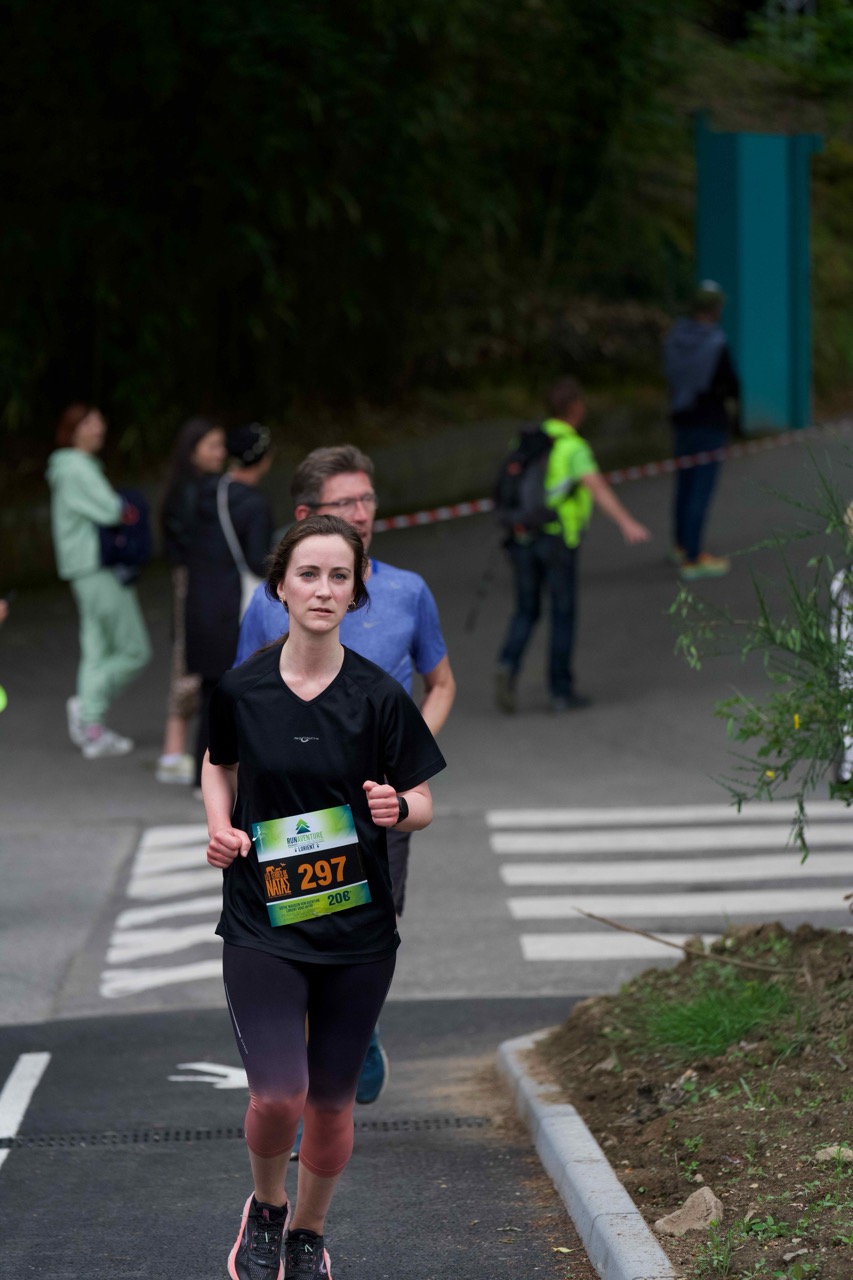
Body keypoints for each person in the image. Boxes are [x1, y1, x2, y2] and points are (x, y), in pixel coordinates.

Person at [203, 514, 446, 1280]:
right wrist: (219, 828)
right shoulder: (241, 689)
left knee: (332, 1103)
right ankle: (267, 1206)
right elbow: (217, 763)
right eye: (308, 574)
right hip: (262, 920)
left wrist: (397, 808)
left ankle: (308, 1233)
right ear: (279, 586)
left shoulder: (378, 696)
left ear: (355, 591)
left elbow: (423, 800)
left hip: (356, 932)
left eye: (339, 576)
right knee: (280, 1095)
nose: (323, 589)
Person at [236, 444, 456, 1103]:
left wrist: (404, 758)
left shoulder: (408, 591)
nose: (361, 514)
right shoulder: (271, 600)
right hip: (295, 807)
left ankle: (355, 1028)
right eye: (344, 503)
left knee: (365, 931)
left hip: (377, 800)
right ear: (306, 516)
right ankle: (311, 1095)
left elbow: (441, 683)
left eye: (367, 500)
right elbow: (242, 704)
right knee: (300, 937)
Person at [495, 378, 651, 715]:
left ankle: (507, 664)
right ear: (575, 408)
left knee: (526, 610)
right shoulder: (572, 447)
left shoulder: (525, 439)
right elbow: (597, 488)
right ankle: (560, 691)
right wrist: (626, 522)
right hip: (557, 540)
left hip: (522, 538)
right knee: (562, 613)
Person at [46, 404, 152, 757]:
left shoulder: (71, 466)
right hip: (97, 566)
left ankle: (91, 727)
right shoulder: (76, 467)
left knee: (96, 649)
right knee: (134, 650)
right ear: (73, 430)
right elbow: (111, 509)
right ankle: (88, 709)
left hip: (84, 567)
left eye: (99, 420)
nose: (99, 427)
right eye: (90, 422)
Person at [185, 422, 275, 789]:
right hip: (236, 610)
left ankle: (201, 776)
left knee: (212, 694)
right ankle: (244, 776)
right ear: (263, 459)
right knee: (250, 691)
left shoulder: (206, 491)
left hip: (201, 606)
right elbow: (257, 561)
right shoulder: (254, 504)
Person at [157, 417, 227, 784]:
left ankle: (175, 752)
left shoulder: (192, 485)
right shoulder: (191, 490)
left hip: (195, 577)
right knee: (187, 658)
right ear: (192, 449)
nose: (220, 453)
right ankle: (173, 753)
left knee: (190, 657)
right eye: (212, 445)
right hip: (194, 579)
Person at [663, 279, 740, 580]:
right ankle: (693, 558)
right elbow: (731, 384)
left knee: (684, 484)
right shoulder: (715, 343)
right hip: (709, 423)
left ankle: (681, 544)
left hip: (681, 420)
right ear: (715, 309)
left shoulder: (675, 337)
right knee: (700, 488)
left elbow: (670, 376)